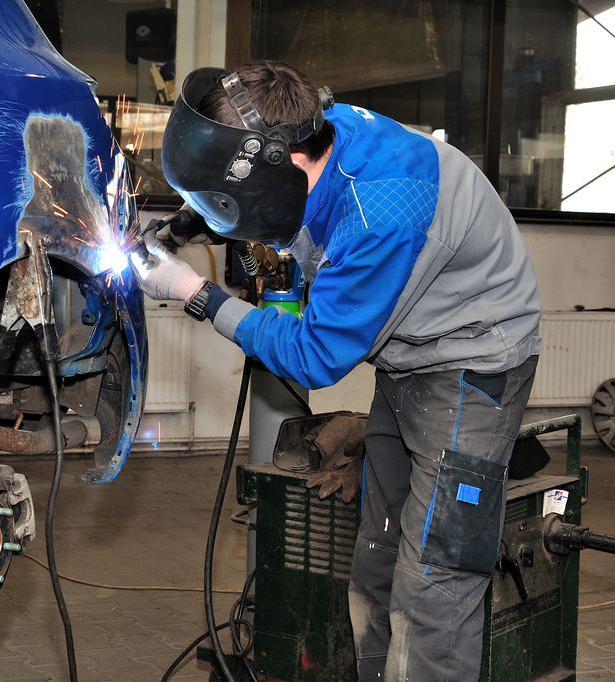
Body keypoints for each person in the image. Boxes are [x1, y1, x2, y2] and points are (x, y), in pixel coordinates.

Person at [130, 61, 541, 681]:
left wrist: (197, 294)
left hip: (474, 364)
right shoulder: (316, 129)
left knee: (435, 583)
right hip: (406, 357)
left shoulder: (378, 216)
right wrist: (187, 220)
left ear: (285, 166)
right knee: (377, 557)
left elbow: (316, 356)